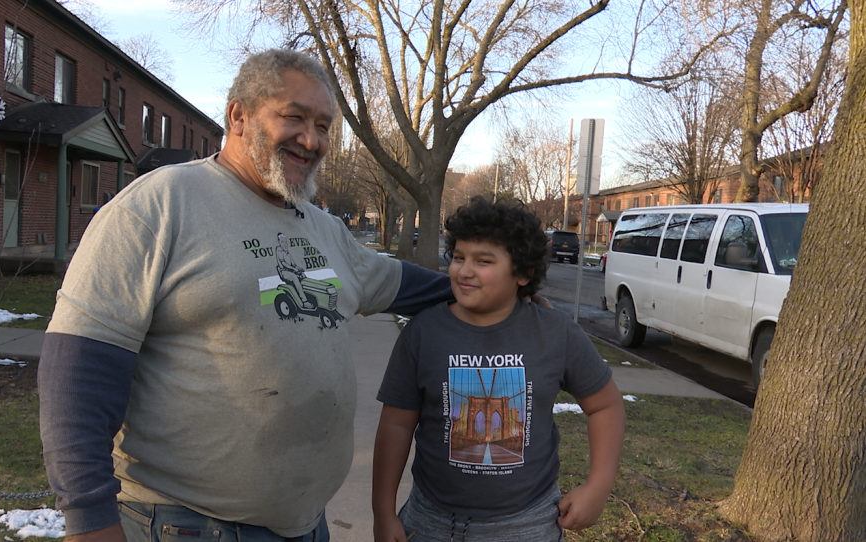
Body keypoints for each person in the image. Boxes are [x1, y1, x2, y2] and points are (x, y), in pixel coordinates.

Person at [38, 49, 453, 542]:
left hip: (306, 525)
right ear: (238, 115)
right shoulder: (159, 206)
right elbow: (77, 375)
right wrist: (88, 521)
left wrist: (503, 291)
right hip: (186, 525)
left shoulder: (325, 230)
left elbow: (405, 284)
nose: (312, 139)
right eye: (294, 118)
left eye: (323, 125)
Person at [372, 196, 625, 542]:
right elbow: (396, 424)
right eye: (459, 257)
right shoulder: (423, 333)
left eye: (484, 260)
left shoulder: (555, 333)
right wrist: (383, 513)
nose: (465, 270)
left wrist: (599, 485)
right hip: (430, 520)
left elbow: (606, 405)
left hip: (527, 523)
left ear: (522, 273)